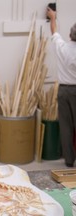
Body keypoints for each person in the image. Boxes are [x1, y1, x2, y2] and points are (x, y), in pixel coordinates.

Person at [46, 7, 76, 167]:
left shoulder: (62, 47)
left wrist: (52, 17)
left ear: (70, 34)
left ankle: (69, 161)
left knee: (65, 126)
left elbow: (54, 31)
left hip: (63, 91)